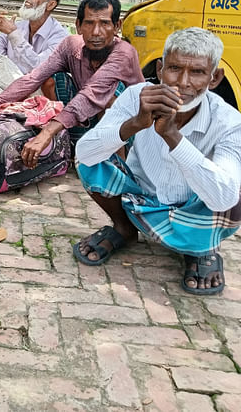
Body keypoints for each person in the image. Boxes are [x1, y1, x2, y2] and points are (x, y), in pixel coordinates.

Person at [74, 28, 241, 296]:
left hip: (197, 207)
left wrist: (173, 137)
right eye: (174, 68)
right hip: (143, 198)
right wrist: (135, 124)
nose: (183, 83)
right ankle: (125, 228)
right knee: (91, 158)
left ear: (214, 78)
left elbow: (224, 199)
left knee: (233, 191)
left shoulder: (229, 122)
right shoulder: (136, 96)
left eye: (197, 72)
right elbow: (85, 152)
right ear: (161, 70)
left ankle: (200, 249)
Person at [0, 0, 144, 165]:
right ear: (78, 26)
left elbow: (91, 94)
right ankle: (68, 144)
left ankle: (117, 165)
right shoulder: (70, 45)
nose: (96, 32)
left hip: (132, 128)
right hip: (87, 116)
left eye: (105, 23)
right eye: (89, 23)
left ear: (117, 26)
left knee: (110, 99)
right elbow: (33, 78)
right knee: (53, 79)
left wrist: (47, 132)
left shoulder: (124, 53)